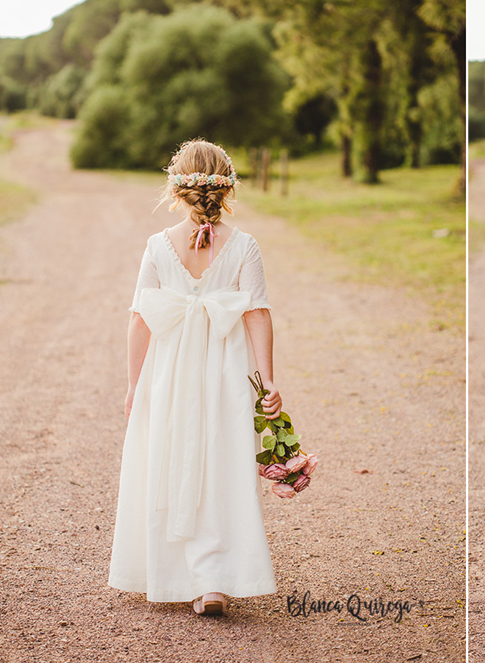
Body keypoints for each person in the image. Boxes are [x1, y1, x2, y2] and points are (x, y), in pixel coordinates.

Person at [108, 138, 282, 616]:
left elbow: (140, 318)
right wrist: (267, 381)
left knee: (169, 460)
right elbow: (258, 315)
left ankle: (173, 573)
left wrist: (133, 383)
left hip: (169, 373)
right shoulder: (243, 246)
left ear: (176, 188)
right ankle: (214, 582)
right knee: (221, 463)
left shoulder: (158, 246)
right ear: (228, 188)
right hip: (225, 371)